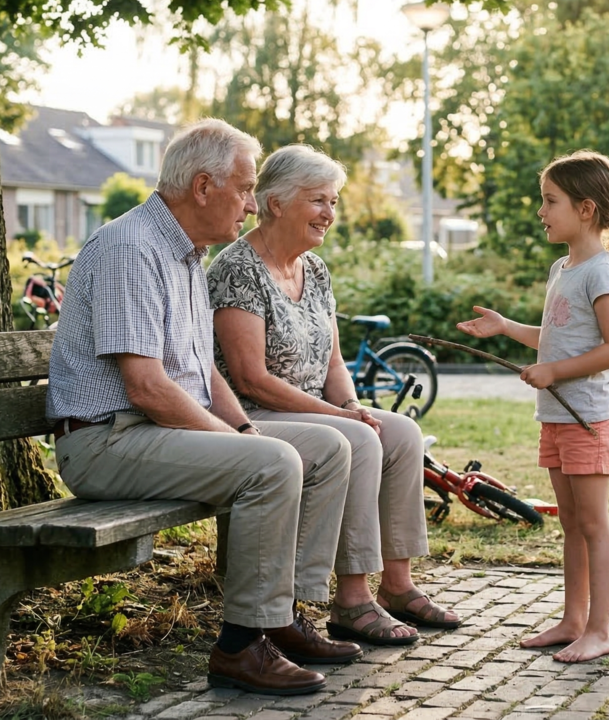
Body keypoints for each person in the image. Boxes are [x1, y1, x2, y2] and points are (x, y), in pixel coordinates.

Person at [46, 119, 361, 697]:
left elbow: (202, 370)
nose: (249, 206)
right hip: (105, 441)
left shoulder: (186, 253)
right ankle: (241, 646)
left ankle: (282, 615)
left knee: (326, 446)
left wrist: (242, 427)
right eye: (244, 190)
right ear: (202, 186)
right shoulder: (131, 247)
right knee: (271, 463)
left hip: (151, 432)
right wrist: (246, 444)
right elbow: (145, 387)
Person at [208, 144, 459, 648]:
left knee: (401, 431)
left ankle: (397, 583)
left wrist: (349, 406)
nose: (330, 213)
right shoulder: (237, 269)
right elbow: (250, 378)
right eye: (319, 200)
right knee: (360, 439)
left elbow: (334, 363)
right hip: (251, 416)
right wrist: (338, 417)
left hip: (314, 412)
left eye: (334, 201)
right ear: (276, 203)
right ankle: (350, 599)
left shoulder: (315, 271)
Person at [457, 150, 609, 663]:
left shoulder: (601, 272)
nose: (541, 211)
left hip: (589, 417)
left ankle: (600, 630)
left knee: (593, 525)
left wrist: (554, 373)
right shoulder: (563, 267)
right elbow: (557, 338)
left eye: (549, 201)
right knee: (570, 523)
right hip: (559, 416)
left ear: (585, 209)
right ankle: (573, 620)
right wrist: (505, 328)